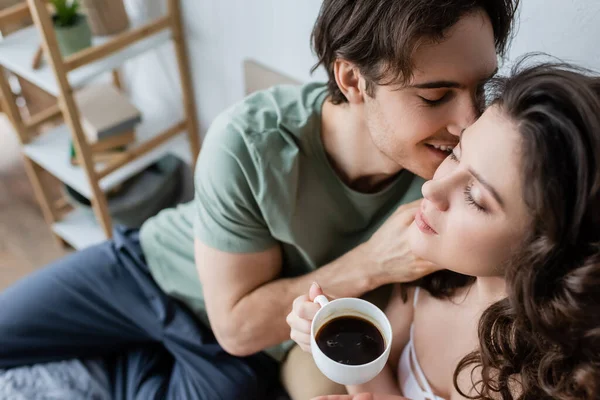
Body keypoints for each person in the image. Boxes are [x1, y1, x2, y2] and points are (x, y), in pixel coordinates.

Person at [0, 0, 518, 399]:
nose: (469, 121)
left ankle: (132, 359)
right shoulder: (249, 141)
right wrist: (375, 262)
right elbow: (234, 318)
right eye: (435, 96)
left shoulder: (461, 176)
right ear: (353, 79)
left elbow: (241, 337)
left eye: (482, 89)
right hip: (150, 271)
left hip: (243, 351)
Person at [288, 60, 600, 400]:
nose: (429, 190)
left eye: (477, 198)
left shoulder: (560, 381)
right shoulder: (428, 282)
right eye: (455, 154)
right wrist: (341, 342)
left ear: (549, 246)